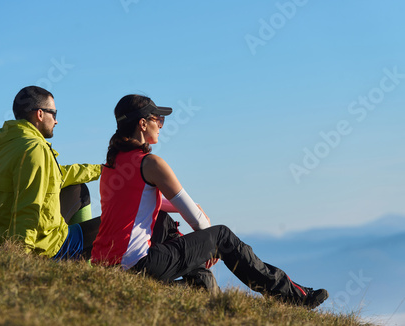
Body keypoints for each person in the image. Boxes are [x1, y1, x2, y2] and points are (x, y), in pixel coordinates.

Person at [91, 94, 329, 308]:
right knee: (222, 235)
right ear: (143, 124)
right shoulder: (151, 163)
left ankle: (201, 286)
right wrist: (211, 247)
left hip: (105, 265)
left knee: (162, 220)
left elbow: (139, 204)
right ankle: (292, 297)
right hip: (136, 266)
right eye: (158, 119)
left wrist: (198, 236)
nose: (162, 125)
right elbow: (196, 220)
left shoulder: (111, 165)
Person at [0, 85, 101, 260]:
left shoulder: (7, 145)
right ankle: (80, 270)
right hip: (41, 249)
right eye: (54, 114)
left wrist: (102, 169)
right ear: (40, 114)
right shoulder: (34, 149)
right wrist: (20, 257)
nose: (56, 121)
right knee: (120, 225)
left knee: (78, 189)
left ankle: (76, 263)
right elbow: (28, 207)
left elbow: (57, 175)